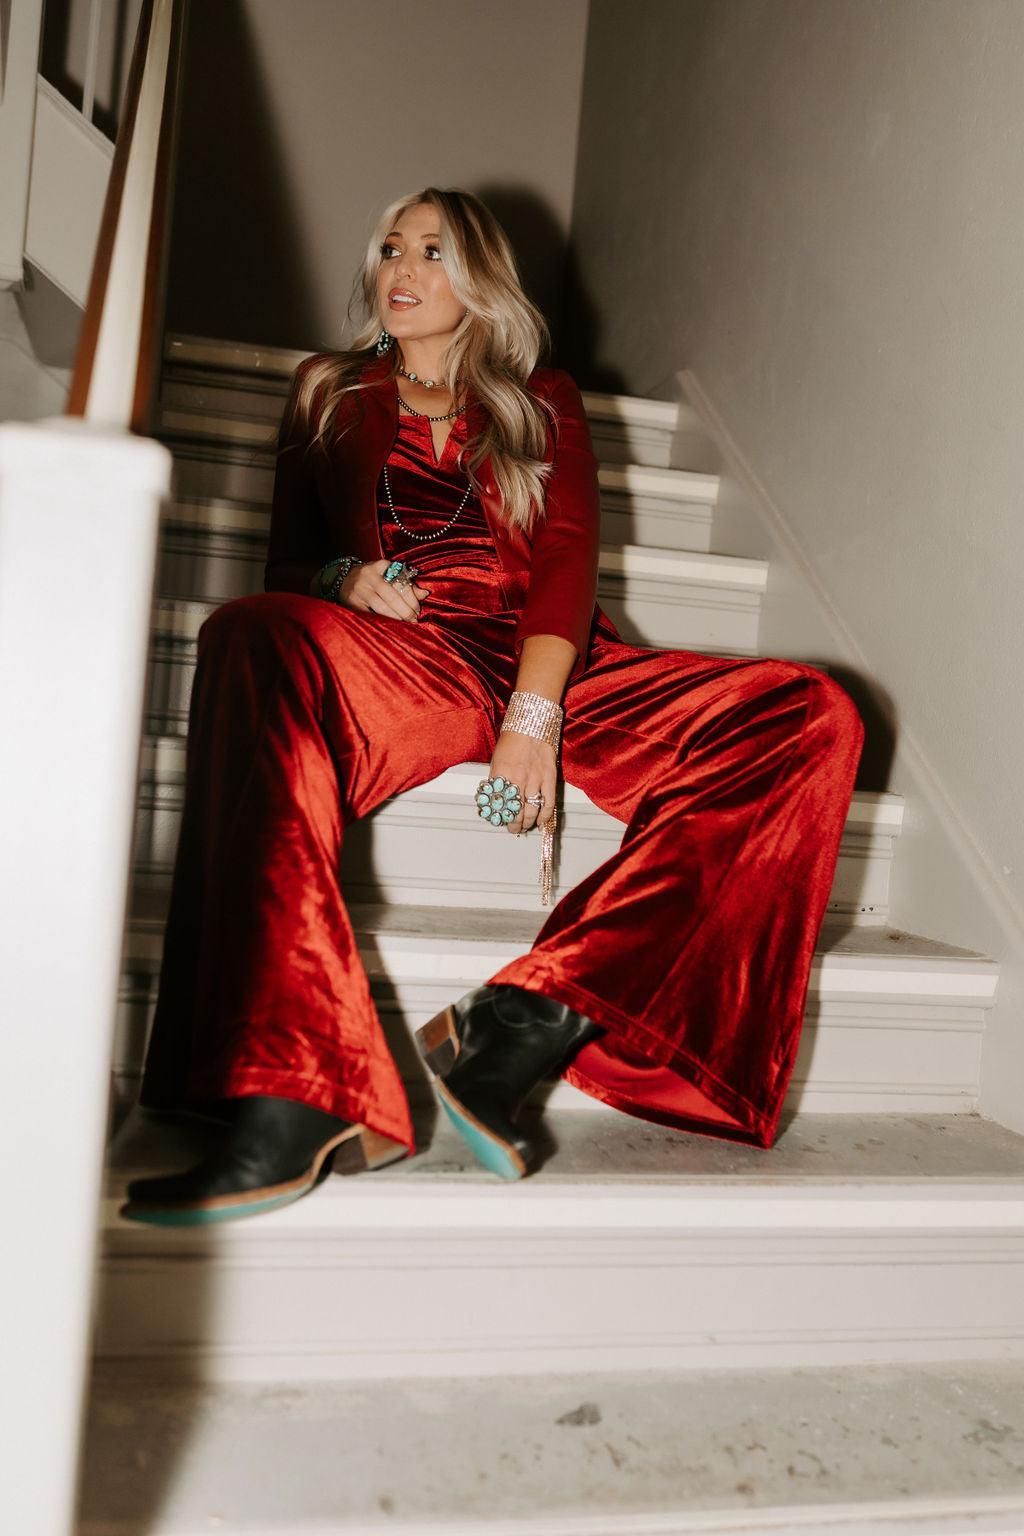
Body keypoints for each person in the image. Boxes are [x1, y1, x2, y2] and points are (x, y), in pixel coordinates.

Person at [120, 186, 865, 1227]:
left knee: (809, 712)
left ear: (479, 281)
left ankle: (526, 1016)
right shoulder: (327, 390)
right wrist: (342, 580)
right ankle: (291, 1085)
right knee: (249, 631)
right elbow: (284, 560)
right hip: (404, 658)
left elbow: (566, 557)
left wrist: (532, 720)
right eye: (391, 248)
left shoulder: (540, 397)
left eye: (433, 251)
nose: (401, 268)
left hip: (549, 663)